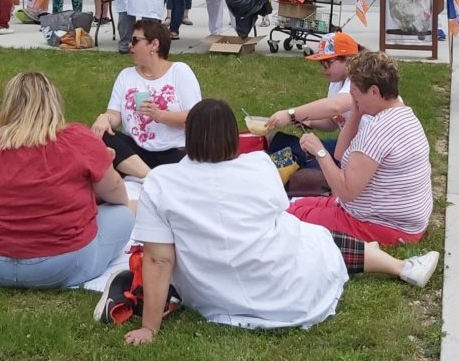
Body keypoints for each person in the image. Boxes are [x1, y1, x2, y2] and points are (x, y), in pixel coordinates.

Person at [116, 98, 440, 345]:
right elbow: (279, 213)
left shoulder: (162, 182)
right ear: (234, 136)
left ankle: (399, 266)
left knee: (310, 235)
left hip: (212, 290)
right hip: (282, 285)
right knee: (315, 238)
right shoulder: (258, 165)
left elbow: (158, 260)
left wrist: (149, 326)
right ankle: (400, 267)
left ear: (190, 136)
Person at [0, 72, 133, 290]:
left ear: (8, 105)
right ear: (54, 103)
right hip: (63, 266)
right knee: (122, 215)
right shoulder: (80, 140)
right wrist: (99, 173)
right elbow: (116, 194)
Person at [288, 52, 434, 246]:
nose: (351, 96)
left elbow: (346, 192)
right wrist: (356, 111)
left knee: (289, 216)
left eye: (355, 90)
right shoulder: (402, 114)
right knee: (296, 203)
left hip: (380, 225)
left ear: (374, 91)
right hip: (399, 220)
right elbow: (341, 154)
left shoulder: (379, 130)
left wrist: (319, 151)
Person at [90, 19, 202, 179]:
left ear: (154, 44)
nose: (130, 45)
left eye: (135, 40)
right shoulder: (126, 75)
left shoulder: (179, 71)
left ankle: (148, 176)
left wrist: (159, 115)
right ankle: (150, 177)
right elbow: (115, 114)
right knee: (105, 135)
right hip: (136, 152)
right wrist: (105, 119)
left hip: (173, 151)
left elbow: (196, 118)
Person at [264, 31, 361, 168]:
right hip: (347, 147)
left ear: (348, 59)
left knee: (301, 158)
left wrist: (291, 114)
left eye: (327, 63)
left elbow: (335, 106)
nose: (323, 69)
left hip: (363, 154)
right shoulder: (336, 83)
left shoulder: (359, 80)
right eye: (321, 63)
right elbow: (334, 122)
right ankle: (268, 167)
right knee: (285, 143)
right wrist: (309, 121)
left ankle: (269, 170)